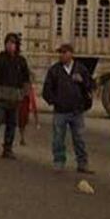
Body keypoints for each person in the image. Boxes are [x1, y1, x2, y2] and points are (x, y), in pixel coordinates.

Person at [41, 43, 95, 174]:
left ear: (71, 54)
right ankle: (59, 162)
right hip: (60, 111)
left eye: (64, 52)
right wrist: (54, 101)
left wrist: (82, 81)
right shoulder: (54, 70)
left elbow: (91, 85)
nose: (61, 55)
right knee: (58, 138)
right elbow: (47, 89)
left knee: (79, 138)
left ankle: (82, 163)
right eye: (60, 53)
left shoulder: (80, 69)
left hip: (77, 110)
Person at [0, 33, 31, 159]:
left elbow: (26, 79)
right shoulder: (0, 59)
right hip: (2, 97)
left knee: (12, 124)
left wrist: (23, 93)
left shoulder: (21, 61)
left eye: (13, 43)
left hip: (15, 97)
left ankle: (8, 148)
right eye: (8, 43)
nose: (10, 45)